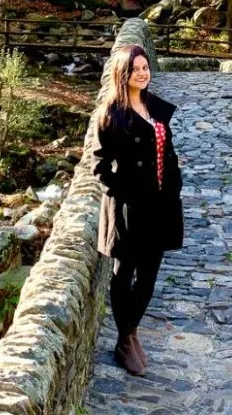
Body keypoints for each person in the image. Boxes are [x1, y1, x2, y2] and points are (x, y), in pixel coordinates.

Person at [89, 44, 184, 376]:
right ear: (122, 74)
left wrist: (174, 183)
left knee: (149, 273)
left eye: (145, 67)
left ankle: (129, 334)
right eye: (135, 69)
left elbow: (168, 152)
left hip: (161, 204)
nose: (142, 73)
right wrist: (124, 192)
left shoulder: (154, 107)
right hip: (129, 208)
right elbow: (99, 167)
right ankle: (126, 341)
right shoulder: (111, 115)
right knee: (123, 272)